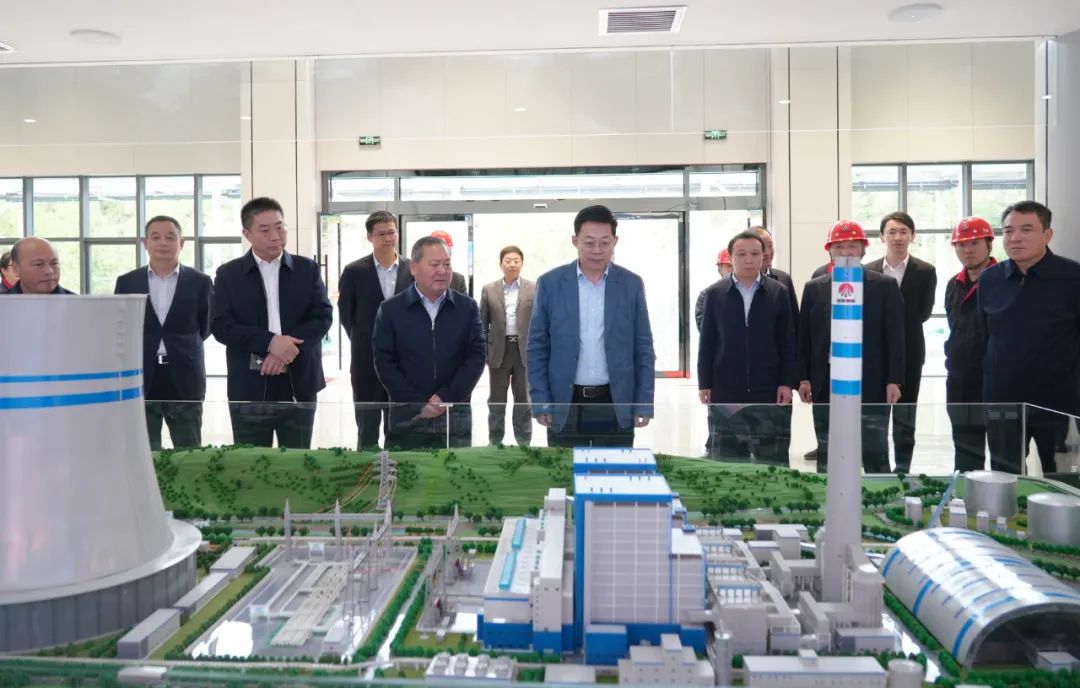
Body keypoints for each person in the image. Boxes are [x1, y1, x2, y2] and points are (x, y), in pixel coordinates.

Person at [528, 204, 656, 447]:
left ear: (615, 242)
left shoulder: (630, 284)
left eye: (604, 242)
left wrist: (644, 402)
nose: (597, 250)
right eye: (589, 242)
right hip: (565, 401)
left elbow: (643, 348)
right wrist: (541, 400)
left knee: (614, 469)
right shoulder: (550, 284)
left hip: (615, 401)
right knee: (565, 469)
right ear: (575, 241)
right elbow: (537, 348)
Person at [211, 197, 332, 449]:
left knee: (298, 459)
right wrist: (269, 343)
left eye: (280, 227)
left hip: (298, 380)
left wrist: (284, 350)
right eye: (265, 230)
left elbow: (322, 316)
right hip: (249, 384)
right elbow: (221, 325)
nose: (275, 236)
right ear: (247, 234)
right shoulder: (229, 274)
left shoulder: (306, 269)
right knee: (252, 460)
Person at [979, 201, 1080, 474]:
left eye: (1026, 229)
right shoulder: (989, 279)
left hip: (1060, 403)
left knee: (1065, 478)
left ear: (1047, 235)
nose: (1015, 238)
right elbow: (984, 338)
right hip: (1003, 402)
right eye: (1008, 231)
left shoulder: (1073, 278)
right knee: (1004, 477)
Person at [798, 220, 905, 473]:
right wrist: (804, 378)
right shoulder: (814, 288)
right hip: (827, 381)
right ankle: (826, 493)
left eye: (852, 246)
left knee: (874, 447)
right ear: (830, 251)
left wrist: (894, 380)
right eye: (839, 247)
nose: (846, 252)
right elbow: (805, 337)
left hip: (871, 380)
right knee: (828, 447)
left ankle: (878, 492)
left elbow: (896, 337)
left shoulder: (885, 286)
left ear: (863, 249)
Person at [373, 236, 485, 449]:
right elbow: (384, 363)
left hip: (454, 412)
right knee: (407, 467)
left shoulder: (467, 307)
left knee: (455, 468)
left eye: (447, 264)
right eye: (434, 264)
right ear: (414, 267)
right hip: (408, 414)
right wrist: (418, 404)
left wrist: (446, 397)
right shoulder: (391, 310)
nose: (442, 271)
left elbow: (476, 357)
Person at [698, 230, 796, 463]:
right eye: (741, 254)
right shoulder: (715, 293)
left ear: (764, 256)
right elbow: (707, 342)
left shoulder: (778, 292)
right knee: (729, 455)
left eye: (755, 254)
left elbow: (787, 341)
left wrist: (786, 382)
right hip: (726, 387)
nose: (748, 260)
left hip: (769, 387)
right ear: (731, 257)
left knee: (771, 455)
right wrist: (705, 383)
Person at [115, 216, 213, 449]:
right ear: (145, 242)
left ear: (182, 243)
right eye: (156, 237)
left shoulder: (200, 282)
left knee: (189, 449)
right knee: (144, 450)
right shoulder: (127, 282)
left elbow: (206, 325)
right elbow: (121, 325)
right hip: (141, 374)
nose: (163, 243)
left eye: (170, 237)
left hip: (185, 374)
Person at [864, 211, 937, 473]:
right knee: (875, 414)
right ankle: (878, 468)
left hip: (910, 352)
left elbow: (924, 312)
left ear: (912, 236)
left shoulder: (926, 271)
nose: (898, 237)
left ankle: (903, 468)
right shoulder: (868, 270)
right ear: (882, 237)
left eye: (903, 231)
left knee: (906, 413)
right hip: (874, 354)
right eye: (892, 232)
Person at [338, 211, 414, 450]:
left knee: (400, 429)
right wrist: (365, 341)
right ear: (369, 237)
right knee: (367, 427)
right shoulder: (354, 271)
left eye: (392, 232)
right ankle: (366, 469)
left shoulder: (412, 269)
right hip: (366, 361)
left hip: (405, 362)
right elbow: (346, 315)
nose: (388, 238)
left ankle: (399, 469)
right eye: (381, 234)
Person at [943, 216, 997, 472]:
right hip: (960, 381)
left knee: (1004, 452)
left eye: (974, 243)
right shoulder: (954, 284)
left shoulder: (1003, 280)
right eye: (961, 244)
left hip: (995, 381)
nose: (968, 250)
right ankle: (966, 492)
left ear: (988, 243)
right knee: (965, 450)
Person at [479, 246, 535, 446]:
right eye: (508, 261)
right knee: (496, 399)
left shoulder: (533, 288)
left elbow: (540, 322)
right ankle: (495, 442)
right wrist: (484, 352)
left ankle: (524, 442)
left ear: (522, 264)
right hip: (498, 351)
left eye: (516, 261)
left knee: (523, 399)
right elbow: (482, 323)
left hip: (524, 351)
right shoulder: (489, 289)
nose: (512, 264)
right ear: (500, 264)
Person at [3, 238, 75, 294]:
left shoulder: (77, 304)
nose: (49, 271)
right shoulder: (3, 303)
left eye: (54, 263)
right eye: (39, 264)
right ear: (15, 268)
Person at [694, 249, 733, 331]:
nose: (733, 270)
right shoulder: (706, 295)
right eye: (729, 266)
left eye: (736, 266)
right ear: (720, 269)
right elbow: (704, 329)